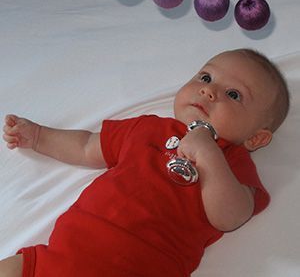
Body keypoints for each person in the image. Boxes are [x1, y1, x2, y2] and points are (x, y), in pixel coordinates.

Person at [1, 48, 290, 277]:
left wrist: (209, 156)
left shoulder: (232, 162)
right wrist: (39, 136)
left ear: (256, 139)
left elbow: (231, 216)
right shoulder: (148, 128)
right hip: (62, 256)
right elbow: (87, 146)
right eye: (205, 78)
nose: (209, 91)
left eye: (234, 95)